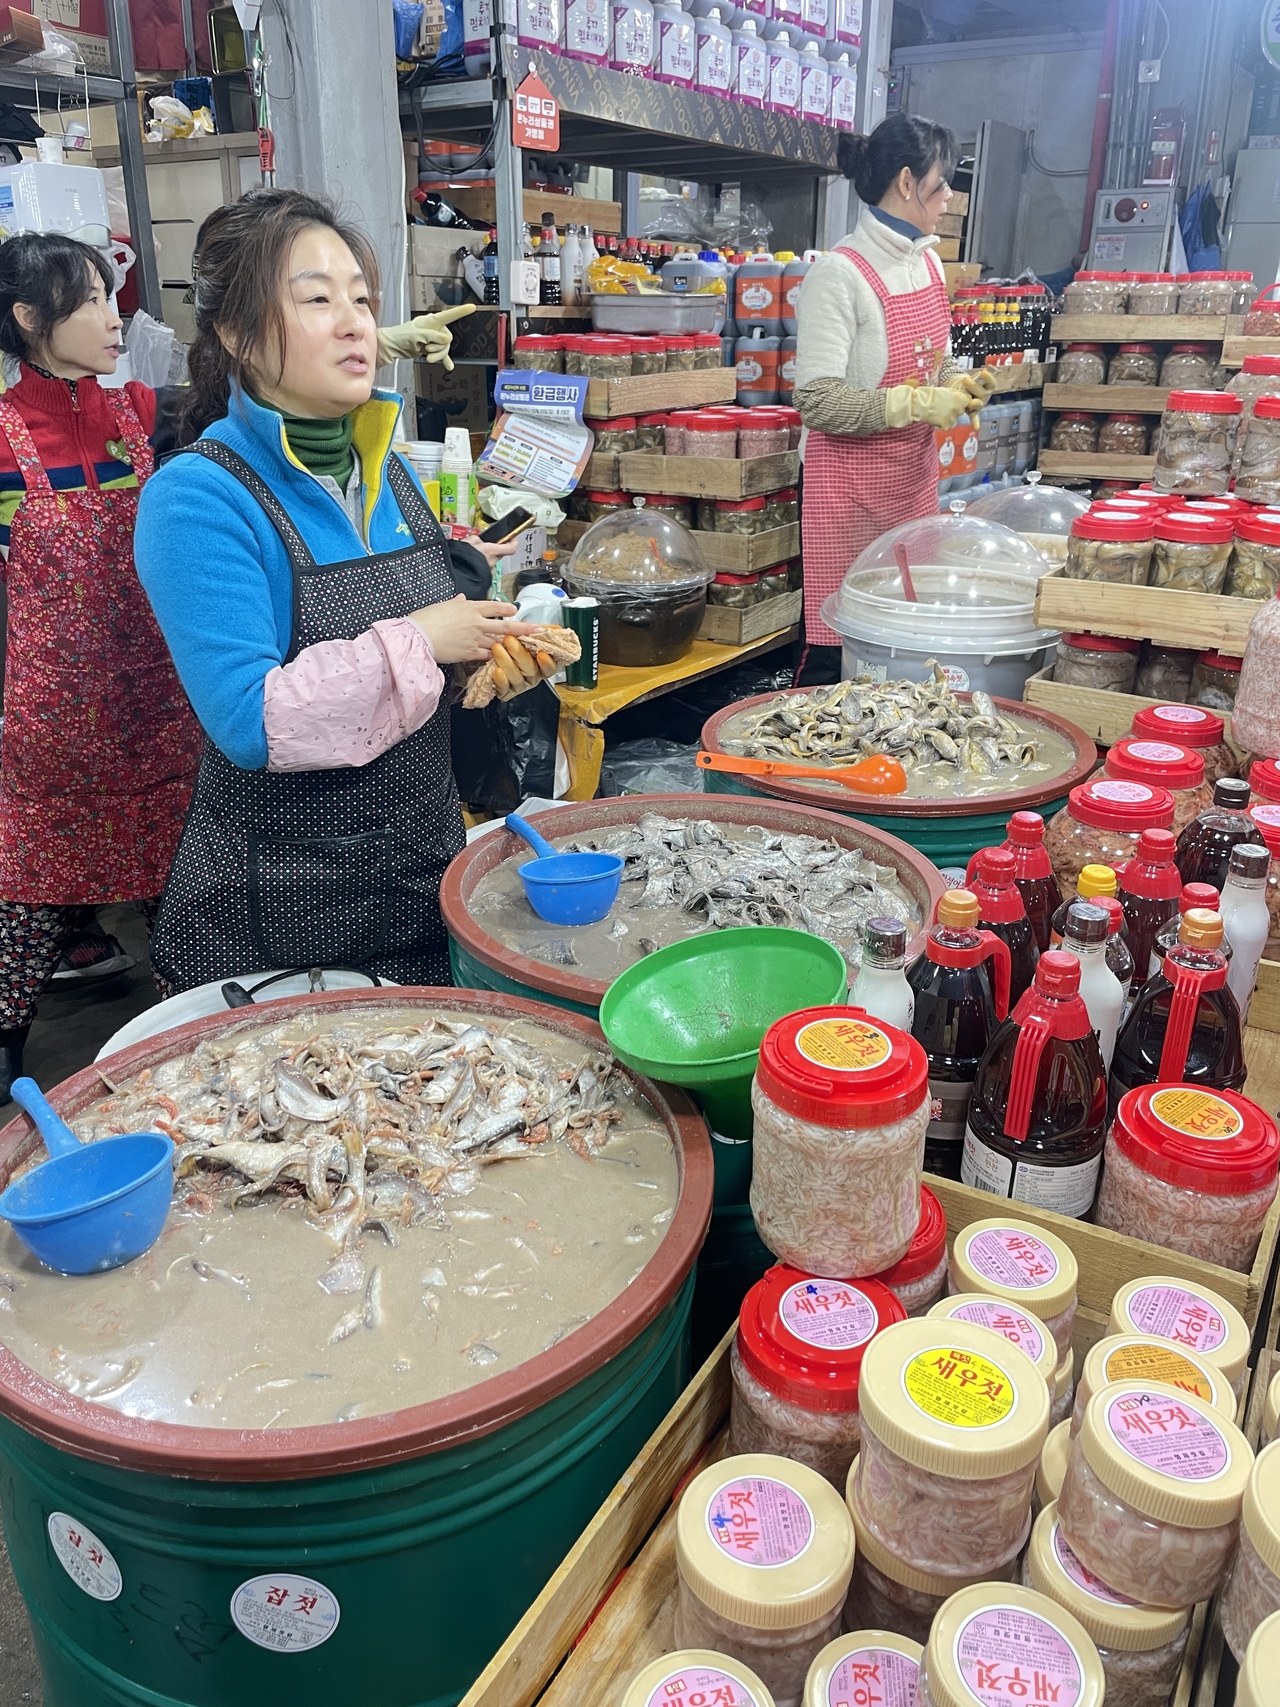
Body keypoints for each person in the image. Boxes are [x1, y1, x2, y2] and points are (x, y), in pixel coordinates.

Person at [135, 189, 555, 994]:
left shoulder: (386, 467)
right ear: (232, 331)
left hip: (420, 888)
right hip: (278, 922)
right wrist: (424, 640)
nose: (355, 320)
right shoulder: (197, 498)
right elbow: (251, 722)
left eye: (361, 299)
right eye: (317, 298)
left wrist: (482, 663)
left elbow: (411, 673)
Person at [0, 233, 203, 1095]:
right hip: (55, 729)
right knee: (28, 905)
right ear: (27, 320)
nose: (110, 316)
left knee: (186, 909)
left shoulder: (143, 415)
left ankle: (197, 1042)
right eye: (84, 301)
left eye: (105, 294)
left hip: (161, 714)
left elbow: (242, 397)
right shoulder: (3, 441)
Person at [792, 114, 996, 686]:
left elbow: (940, 358)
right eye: (943, 180)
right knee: (839, 641)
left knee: (899, 631)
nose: (950, 194)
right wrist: (913, 406)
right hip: (847, 488)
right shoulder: (840, 275)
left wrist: (958, 383)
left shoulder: (928, 261)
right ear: (907, 182)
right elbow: (818, 401)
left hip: (908, 478)